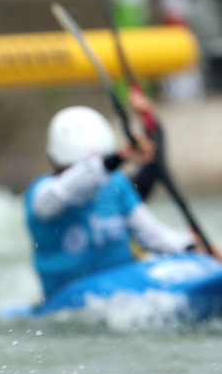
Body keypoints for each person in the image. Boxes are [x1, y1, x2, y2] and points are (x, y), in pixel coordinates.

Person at [24, 104, 196, 299]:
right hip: (66, 293)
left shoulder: (116, 183)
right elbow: (67, 188)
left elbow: (153, 234)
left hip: (124, 278)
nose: (96, 177)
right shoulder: (41, 193)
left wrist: (192, 248)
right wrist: (116, 159)